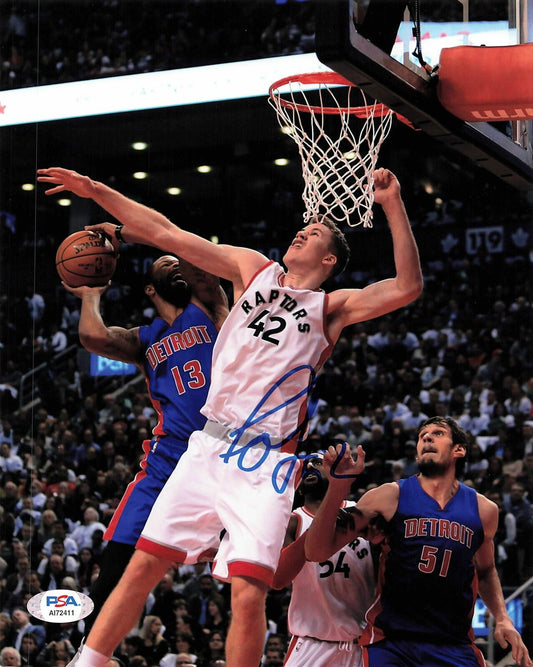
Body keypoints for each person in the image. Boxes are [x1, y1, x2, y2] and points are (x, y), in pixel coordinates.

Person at [38, 164, 423, 667]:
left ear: (328, 258)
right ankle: (86, 662)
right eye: (301, 228)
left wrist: (392, 205)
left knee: (248, 591)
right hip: (207, 444)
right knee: (145, 564)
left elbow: (407, 286)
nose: (301, 232)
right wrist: (95, 192)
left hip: (264, 463)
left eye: (313, 234)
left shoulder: (331, 307)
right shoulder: (251, 268)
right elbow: (166, 232)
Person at [63, 254, 228, 628]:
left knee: (247, 562)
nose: (175, 264)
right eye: (164, 264)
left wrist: (150, 239)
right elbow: (94, 337)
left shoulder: (211, 307)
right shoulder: (145, 338)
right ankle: (89, 649)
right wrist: (91, 295)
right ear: (150, 288)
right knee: (119, 553)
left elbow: (202, 269)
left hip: (226, 448)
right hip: (169, 454)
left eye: (178, 262)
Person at [305, 416, 533, 667]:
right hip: (391, 642)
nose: (426, 437)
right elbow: (316, 550)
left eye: (438, 433)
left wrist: (502, 618)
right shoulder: (388, 497)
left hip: (453, 644)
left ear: (459, 449)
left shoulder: (484, 510)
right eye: (422, 435)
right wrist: (338, 487)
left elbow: (486, 569)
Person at [271, 453, 375, 666]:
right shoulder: (291, 522)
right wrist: (319, 530)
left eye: (318, 463)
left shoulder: (361, 512)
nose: (310, 466)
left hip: (361, 644)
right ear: (298, 487)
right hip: (310, 644)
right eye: (306, 465)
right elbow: (278, 580)